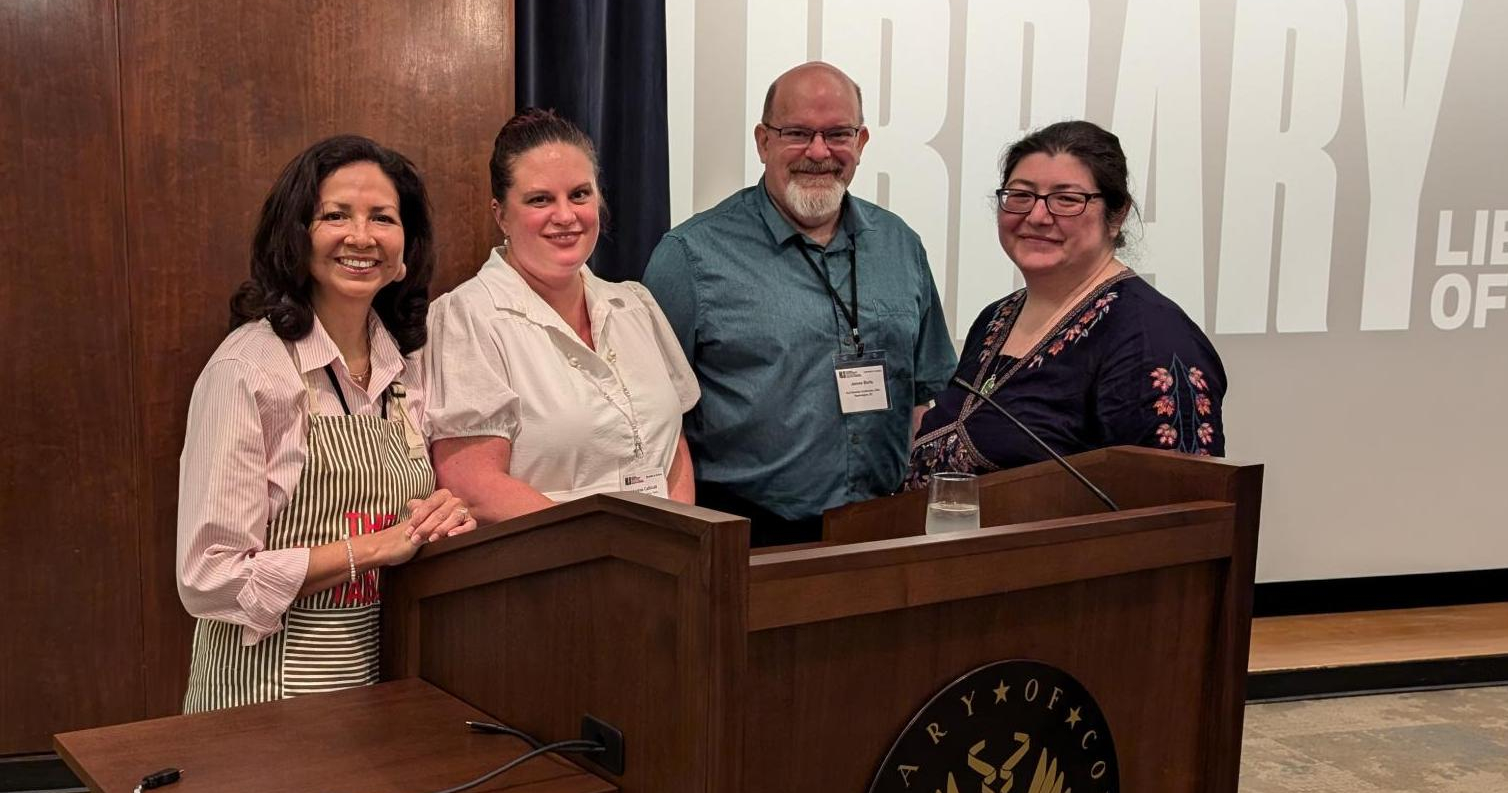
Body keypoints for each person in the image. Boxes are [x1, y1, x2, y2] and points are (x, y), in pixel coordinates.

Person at [175, 134, 476, 793]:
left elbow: (398, 506)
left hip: (370, 690)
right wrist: (363, 547)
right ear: (295, 233)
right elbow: (207, 572)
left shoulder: (402, 365)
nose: (361, 235)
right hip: (268, 699)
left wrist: (435, 510)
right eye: (336, 214)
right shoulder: (250, 370)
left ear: (408, 240)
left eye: (382, 216)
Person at [642, 61, 956, 546]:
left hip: (884, 528)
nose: (818, 152)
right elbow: (650, 420)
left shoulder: (900, 245)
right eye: (797, 133)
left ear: (862, 142)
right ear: (763, 141)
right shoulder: (689, 257)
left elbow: (921, 395)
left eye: (837, 134)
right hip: (747, 535)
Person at [906, 120, 1226, 489]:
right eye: (1021, 195)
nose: (1038, 216)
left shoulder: (1152, 338)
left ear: (1116, 214)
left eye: (1067, 200)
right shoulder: (996, 317)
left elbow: (1175, 510)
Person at [424, 110, 699, 517]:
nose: (566, 216)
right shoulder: (468, 317)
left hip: (662, 563)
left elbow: (672, 446)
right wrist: (606, 550)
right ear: (500, 213)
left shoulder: (635, 304)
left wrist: (678, 542)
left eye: (579, 194)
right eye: (540, 199)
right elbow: (474, 485)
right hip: (552, 567)